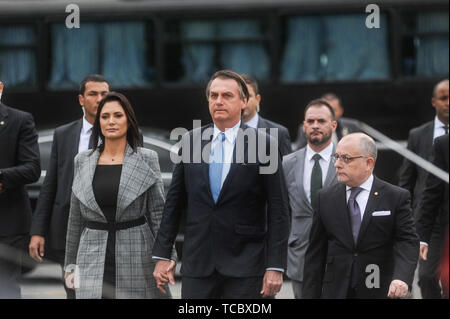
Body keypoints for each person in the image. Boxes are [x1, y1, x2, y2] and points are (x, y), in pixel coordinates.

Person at [152, 70, 289, 299]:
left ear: (243, 101)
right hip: (198, 264)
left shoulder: (265, 144)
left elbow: (279, 210)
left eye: (227, 95)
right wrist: (163, 255)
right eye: (213, 96)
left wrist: (275, 266)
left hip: (246, 265)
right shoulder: (191, 141)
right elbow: (173, 205)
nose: (219, 101)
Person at [64, 92, 175, 299]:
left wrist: (166, 257)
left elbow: (158, 214)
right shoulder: (82, 160)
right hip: (91, 255)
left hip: (136, 252)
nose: (111, 121)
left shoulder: (147, 158)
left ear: (129, 121)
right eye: (105, 117)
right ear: (98, 122)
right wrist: (70, 267)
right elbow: (75, 220)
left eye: (118, 115)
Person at [303, 133, 419, 299]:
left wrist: (402, 278)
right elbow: (315, 254)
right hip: (336, 289)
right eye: (336, 157)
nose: (337, 164)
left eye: (346, 158)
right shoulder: (325, 198)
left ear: (368, 162)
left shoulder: (395, 197)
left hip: (379, 286)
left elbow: (407, 241)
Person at [29, 74, 110, 299]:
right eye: (93, 94)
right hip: (70, 232)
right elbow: (50, 185)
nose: (99, 99)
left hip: (111, 232)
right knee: (74, 292)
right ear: (81, 100)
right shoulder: (63, 135)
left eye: (104, 94)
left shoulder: (125, 133)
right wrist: (38, 231)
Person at [282, 99, 339, 299]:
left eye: (321, 121)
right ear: (304, 126)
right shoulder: (287, 163)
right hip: (300, 253)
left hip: (339, 252)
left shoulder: (346, 160)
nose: (315, 125)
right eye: (310, 121)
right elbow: (280, 210)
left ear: (333, 125)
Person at [398, 79, 449, 298]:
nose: (448, 103)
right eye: (444, 98)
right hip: (430, 218)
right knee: (426, 276)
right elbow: (407, 180)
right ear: (433, 101)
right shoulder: (421, 136)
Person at [0, 80, 41, 298]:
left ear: (0, 88)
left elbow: (33, 168)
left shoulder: (19, 120)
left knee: (5, 290)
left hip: (7, 225)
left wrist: (2, 177)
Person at [416, 134, 449, 299]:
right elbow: (432, 193)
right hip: (444, 225)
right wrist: (423, 238)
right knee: (427, 276)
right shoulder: (444, 143)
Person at [241, 74, 292, 156]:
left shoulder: (280, 133)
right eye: (240, 96)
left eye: (248, 96)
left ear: (257, 99)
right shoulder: (222, 132)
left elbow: (287, 167)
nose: (244, 101)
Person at [293, 93, 361, 150]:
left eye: (333, 110)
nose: (315, 126)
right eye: (326, 110)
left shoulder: (352, 126)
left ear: (334, 126)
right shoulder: (307, 128)